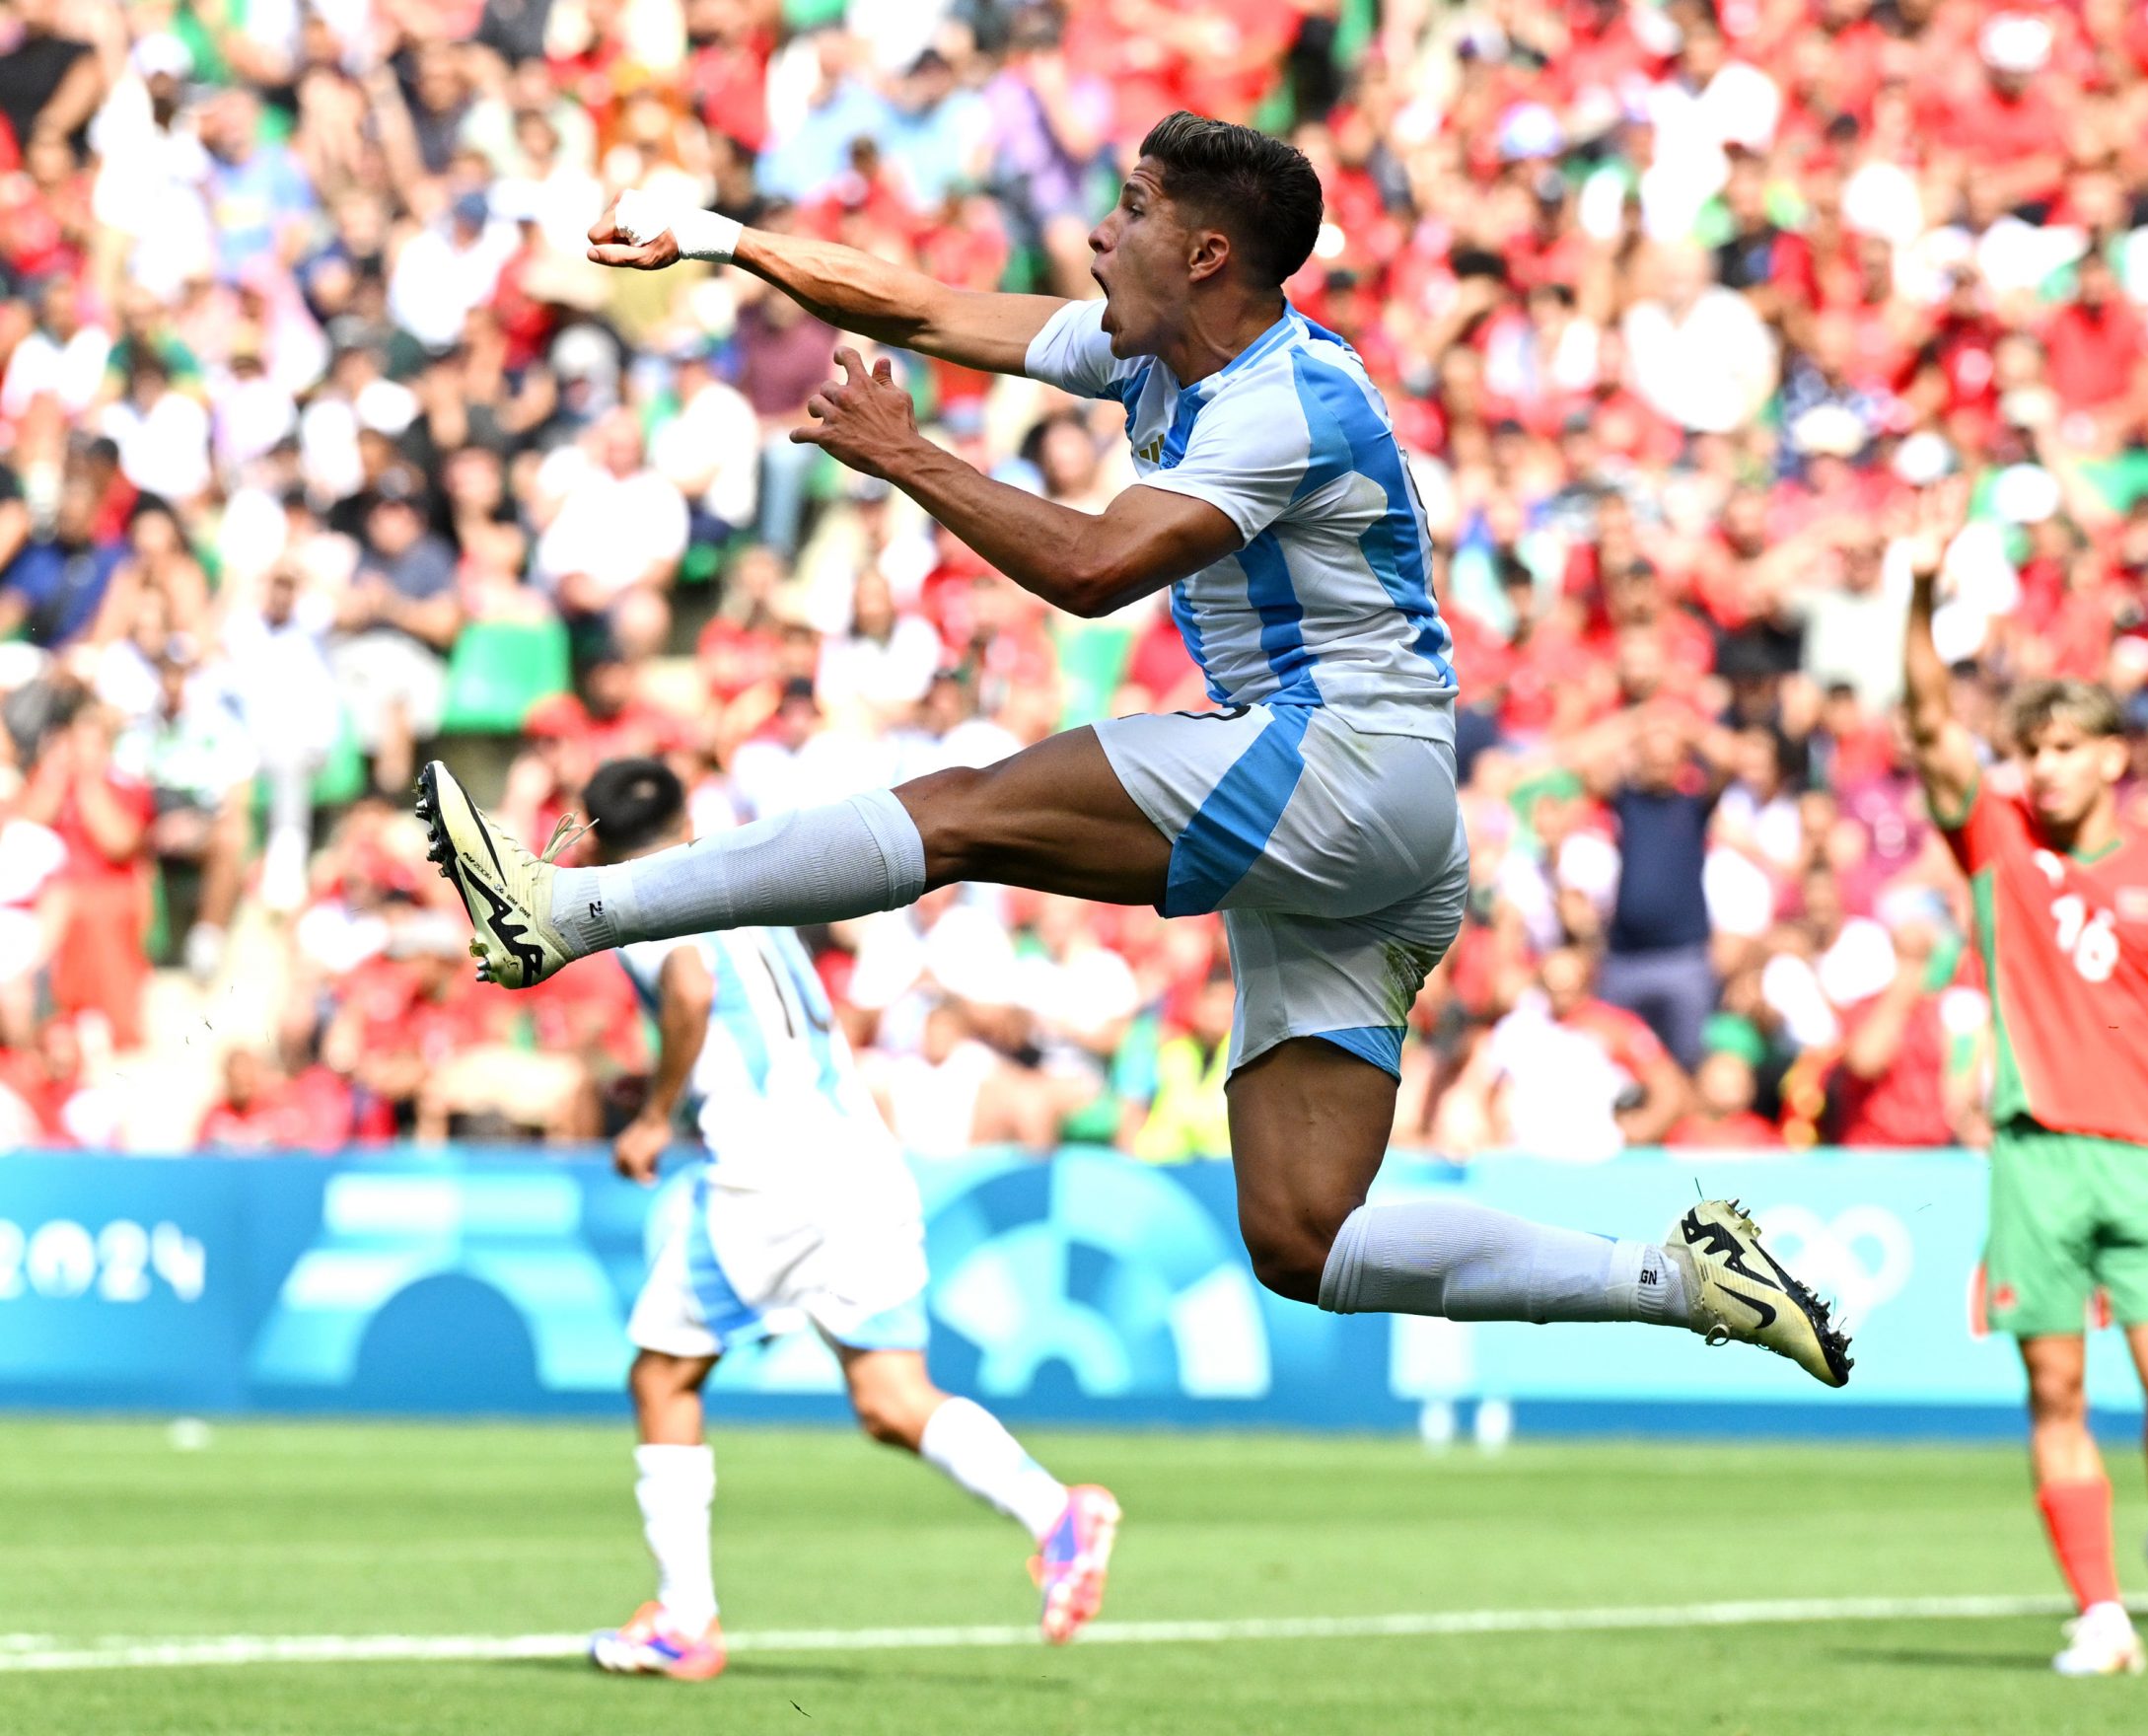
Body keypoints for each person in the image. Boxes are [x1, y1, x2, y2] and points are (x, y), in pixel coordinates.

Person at [415, 112, 1851, 1388]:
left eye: (1133, 206)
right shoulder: (1153, 349)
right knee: (1303, 1238)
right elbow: (925, 306)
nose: (1101, 228)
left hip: (1337, 758)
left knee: (962, 814)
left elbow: (1101, 572)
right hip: (1380, 827)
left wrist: (911, 460)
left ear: (1208, 252)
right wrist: (723, 240)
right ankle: (1676, 1279)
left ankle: (566, 913)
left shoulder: (1288, 399)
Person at [577, 759, 1117, 1682]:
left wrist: (655, 1116)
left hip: (769, 1169)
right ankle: (1056, 1514)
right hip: (859, 1155)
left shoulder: (636, 897)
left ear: (596, 838)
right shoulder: (739, 878)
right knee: (889, 1396)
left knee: (662, 1375)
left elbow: (692, 987)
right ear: (688, 813)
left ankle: (685, 1619)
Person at [1901, 481, 2148, 1676]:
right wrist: (1917, 595)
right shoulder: (1996, 839)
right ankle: (2099, 1611)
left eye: (2067, 747)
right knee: (2056, 1383)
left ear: (2112, 757)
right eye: (2030, 750)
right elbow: (1924, 726)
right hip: (2034, 1152)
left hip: (2145, 1153)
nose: (2046, 768)